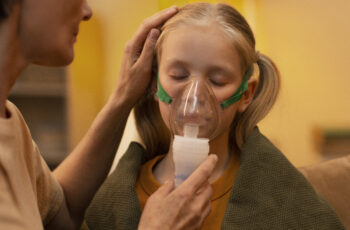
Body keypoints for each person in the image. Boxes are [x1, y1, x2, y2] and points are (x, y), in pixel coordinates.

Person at [83, 2, 345, 230]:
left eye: (217, 80)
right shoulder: (118, 200)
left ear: (246, 94)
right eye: (178, 76)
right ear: (153, 84)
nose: (195, 96)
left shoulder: (285, 197)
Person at [0, 0, 219, 229]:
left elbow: (58, 212)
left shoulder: (10, 121)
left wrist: (124, 96)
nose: (87, 11)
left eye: (217, 80)